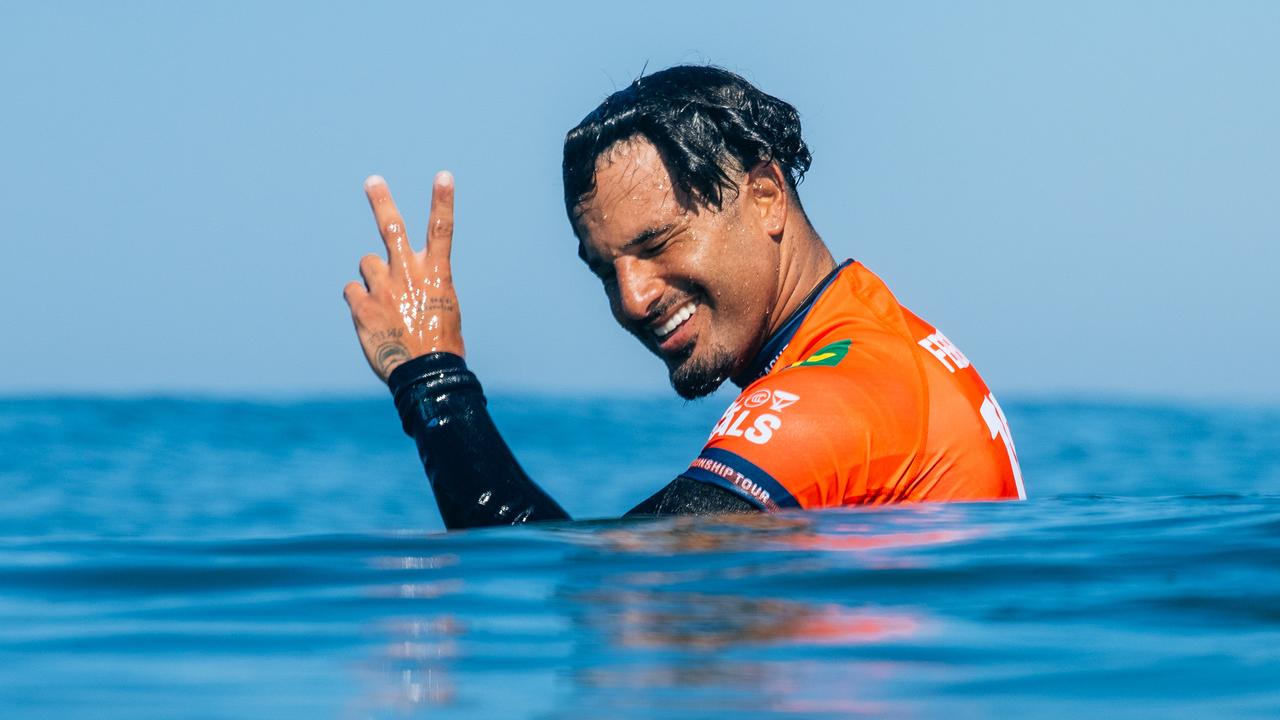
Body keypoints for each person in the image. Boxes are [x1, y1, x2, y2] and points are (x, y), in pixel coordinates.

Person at [342, 65, 1024, 530]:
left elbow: (580, 589)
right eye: (605, 270)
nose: (632, 298)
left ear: (765, 197)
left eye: (658, 242)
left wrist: (432, 378)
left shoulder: (834, 398)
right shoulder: (878, 332)